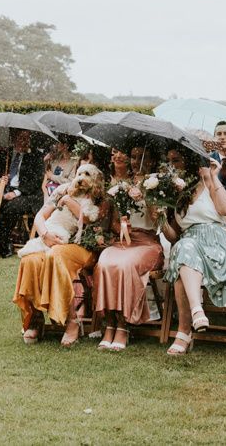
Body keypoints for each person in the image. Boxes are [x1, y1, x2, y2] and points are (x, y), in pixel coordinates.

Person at [13, 164, 109, 346]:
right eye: (79, 173)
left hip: (82, 246)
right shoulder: (62, 190)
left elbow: (88, 220)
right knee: (30, 260)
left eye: (87, 174)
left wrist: (68, 201)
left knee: (56, 256)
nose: (81, 178)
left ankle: (72, 320)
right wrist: (45, 235)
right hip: (54, 238)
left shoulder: (100, 199)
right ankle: (35, 318)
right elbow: (40, 216)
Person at [163, 148, 226, 355]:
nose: (172, 166)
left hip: (218, 242)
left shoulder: (207, 180)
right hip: (189, 244)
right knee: (183, 248)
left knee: (182, 255)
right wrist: (159, 217)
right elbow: (173, 235)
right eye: (169, 161)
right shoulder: (175, 191)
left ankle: (184, 332)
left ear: (188, 161)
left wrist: (213, 177)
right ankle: (197, 313)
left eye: (176, 160)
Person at [93, 145, 164, 351]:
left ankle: (124, 325)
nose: (135, 161)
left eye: (141, 157)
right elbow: (114, 221)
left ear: (150, 161)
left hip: (148, 243)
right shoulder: (121, 186)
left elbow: (158, 222)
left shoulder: (156, 184)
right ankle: (109, 323)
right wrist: (122, 225)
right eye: (133, 157)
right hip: (125, 240)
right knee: (105, 261)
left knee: (125, 265)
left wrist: (148, 198)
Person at [0, 129, 45, 258]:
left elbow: (36, 181)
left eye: (27, 138)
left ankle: (6, 243)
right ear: (13, 139)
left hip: (27, 194)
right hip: (6, 191)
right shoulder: (5, 153)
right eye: (21, 138)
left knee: (11, 207)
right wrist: (0, 180)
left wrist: (16, 192)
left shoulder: (36, 155)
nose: (25, 142)